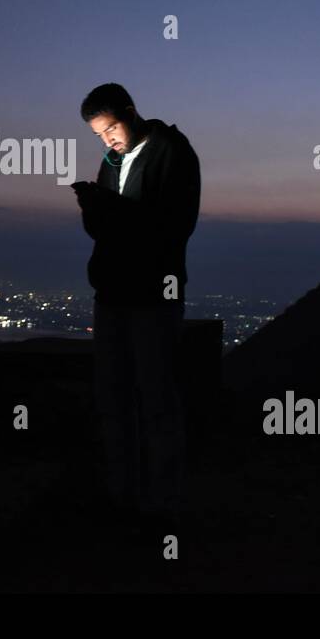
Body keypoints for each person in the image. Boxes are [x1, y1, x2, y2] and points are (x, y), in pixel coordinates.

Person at [72, 83, 201, 531]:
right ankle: (122, 495)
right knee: (114, 395)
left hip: (152, 295)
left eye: (110, 128)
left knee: (156, 395)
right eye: (98, 134)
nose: (107, 139)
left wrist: (107, 209)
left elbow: (171, 226)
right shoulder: (112, 162)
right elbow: (106, 232)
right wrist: (94, 207)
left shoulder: (171, 152)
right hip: (112, 293)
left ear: (130, 112)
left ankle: (164, 503)